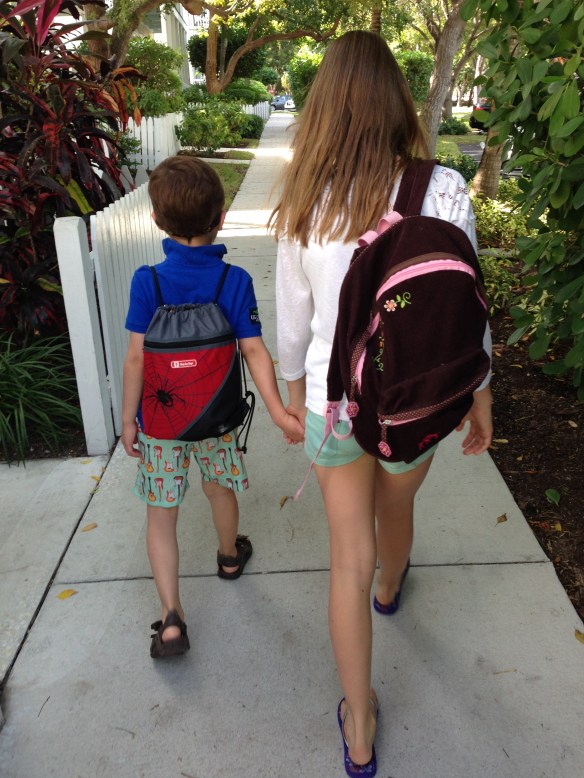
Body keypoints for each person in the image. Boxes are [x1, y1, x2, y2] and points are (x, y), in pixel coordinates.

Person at [271, 31, 493, 777]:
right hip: (414, 400)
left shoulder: (306, 197)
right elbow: (465, 302)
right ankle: (392, 589)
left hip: (335, 404)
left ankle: (359, 726)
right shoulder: (444, 188)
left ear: (324, 108)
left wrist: (295, 397)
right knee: (396, 507)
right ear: (399, 99)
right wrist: (481, 391)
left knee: (346, 560)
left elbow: (294, 321)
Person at [122, 155, 304, 659]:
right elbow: (254, 350)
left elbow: (136, 358)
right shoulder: (234, 280)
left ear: (156, 220)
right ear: (220, 218)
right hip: (217, 418)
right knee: (219, 489)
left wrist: (129, 420)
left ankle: (172, 618)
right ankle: (228, 556)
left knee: (161, 513)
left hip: (160, 424)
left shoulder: (147, 282)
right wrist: (277, 410)